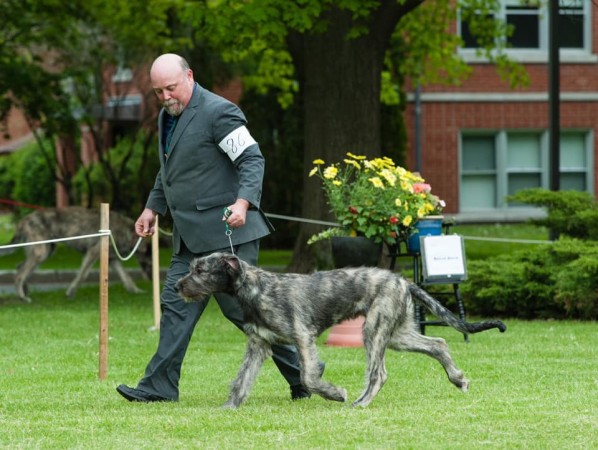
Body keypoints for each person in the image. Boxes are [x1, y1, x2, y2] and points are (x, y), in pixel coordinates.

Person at [117, 53, 320, 403]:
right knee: (175, 306)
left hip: (229, 236)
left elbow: (251, 159)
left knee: (245, 312)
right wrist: (153, 208)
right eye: (158, 92)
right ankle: (158, 387)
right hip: (189, 237)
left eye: (171, 88)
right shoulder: (168, 117)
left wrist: (243, 203)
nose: (165, 97)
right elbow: (169, 171)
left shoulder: (218, 111)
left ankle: (306, 373)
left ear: (190, 76)